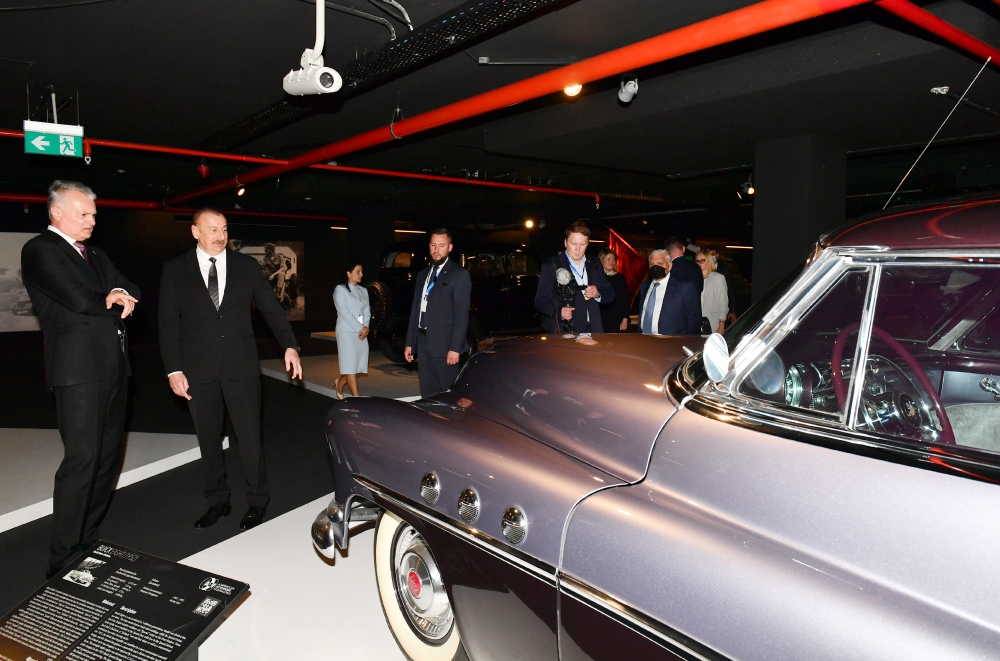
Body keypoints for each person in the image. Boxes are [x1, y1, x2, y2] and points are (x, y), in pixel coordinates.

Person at [21, 180, 140, 578]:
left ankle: (87, 538)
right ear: (56, 213)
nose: (92, 221)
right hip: (78, 373)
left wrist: (119, 290)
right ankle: (62, 555)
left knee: (107, 460)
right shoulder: (40, 250)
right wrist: (112, 298)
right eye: (83, 214)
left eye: (93, 214)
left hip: (114, 366)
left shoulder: (96, 254)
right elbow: (77, 298)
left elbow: (129, 286)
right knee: (82, 460)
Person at [159, 208, 302, 531]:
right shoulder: (175, 269)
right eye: (213, 229)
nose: (220, 236)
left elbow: (271, 309)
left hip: (241, 366)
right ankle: (217, 500)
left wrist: (290, 345)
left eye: (224, 229)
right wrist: (173, 370)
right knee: (208, 439)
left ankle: (257, 501)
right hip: (197, 370)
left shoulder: (245, 266)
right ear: (195, 231)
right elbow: (167, 324)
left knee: (250, 437)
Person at [404, 228, 472, 397]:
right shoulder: (422, 275)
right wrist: (410, 342)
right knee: (428, 394)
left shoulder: (459, 275)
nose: (436, 249)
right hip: (423, 342)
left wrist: (455, 348)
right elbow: (415, 311)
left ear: (450, 247)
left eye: (441, 245)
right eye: (433, 245)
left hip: (445, 346)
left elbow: (461, 316)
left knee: (449, 395)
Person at [535, 221, 614, 335]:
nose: (578, 249)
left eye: (582, 245)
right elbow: (540, 300)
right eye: (574, 244)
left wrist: (598, 294)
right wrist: (559, 312)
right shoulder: (551, 266)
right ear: (565, 242)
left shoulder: (594, 263)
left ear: (587, 244)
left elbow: (610, 294)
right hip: (567, 329)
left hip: (594, 329)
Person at [637, 249, 700, 335]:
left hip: (671, 340)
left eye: (660, 263)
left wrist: (684, 340)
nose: (655, 267)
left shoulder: (685, 287)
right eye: (652, 263)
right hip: (644, 338)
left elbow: (694, 319)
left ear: (669, 266)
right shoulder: (645, 286)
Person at [333, 262, 370, 398]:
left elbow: (367, 311)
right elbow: (344, 312)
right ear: (348, 273)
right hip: (346, 332)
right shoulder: (340, 290)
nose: (361, 274)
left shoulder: (363, 290)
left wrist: (365, 328)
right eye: (357, 271)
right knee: (350, 366)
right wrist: (360, 328)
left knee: (359, 366)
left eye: (361, 271)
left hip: (361, 333)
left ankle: (340, 382)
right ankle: (356, 399)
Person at [696, 250, 729, 334]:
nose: (699, 263)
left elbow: (723, 303)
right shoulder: (695, 279)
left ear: (709, 261)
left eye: (702, 261)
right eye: (697, 261)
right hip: (697, 323)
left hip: (712, 322)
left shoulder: (718, 278)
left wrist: (721, 325)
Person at [598, 249, 631, 332]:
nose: (612, 262)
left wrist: (625, 319)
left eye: (613, 259)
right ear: (602, 261)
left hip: (617, 318)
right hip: (599, 317)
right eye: (608, 259)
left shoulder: (620, 278)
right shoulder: (596, 278)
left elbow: (625, 300)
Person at [704, 244, 738, 323]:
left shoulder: (725, 270)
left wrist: (732, 311)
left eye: (712, 254)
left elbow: (731, 290)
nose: (710, 257)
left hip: (721, 307)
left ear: (717, 255)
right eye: (708, 255)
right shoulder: (702, 268)